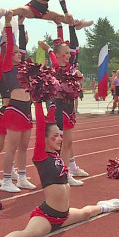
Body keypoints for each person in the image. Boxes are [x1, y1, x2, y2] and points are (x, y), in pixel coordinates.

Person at [0, 102, 119, 237]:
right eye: (55, 136)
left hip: (64, 214)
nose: (60, 138)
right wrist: (39, 102)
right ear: (44, 138)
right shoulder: (41, 156)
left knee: (86, 213)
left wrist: (54, 100)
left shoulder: (56, 155)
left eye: (60, 135)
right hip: (47, 216)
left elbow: (53, 117)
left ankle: (105, 206)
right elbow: (41, 125)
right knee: (29, 235)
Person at [41, 23, 88, 186]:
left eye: (69, 53)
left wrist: (71, 26)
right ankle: (63, 174)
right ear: (59, 55)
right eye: (66, 53)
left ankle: (65, 171)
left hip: (69, 109)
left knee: (67, 143)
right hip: (59, 108)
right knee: (60, 144)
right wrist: (49, 49)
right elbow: (54, 60)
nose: (69, 55)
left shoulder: (71, 68)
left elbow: (75, 47)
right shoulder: (55, 69)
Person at [0, 15, 36, 192]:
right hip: (14, 109)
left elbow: (22, 47)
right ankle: (6, 180)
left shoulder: (23, 67)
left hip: (27, 109)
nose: (18, 55)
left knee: (24, 147)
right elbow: (12, 43)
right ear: (7, 55)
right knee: (11, 147)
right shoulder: (7, 67)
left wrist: (21, 25)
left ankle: (21, 177)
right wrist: (8, 22)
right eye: (14, 53)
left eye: (19, 53)